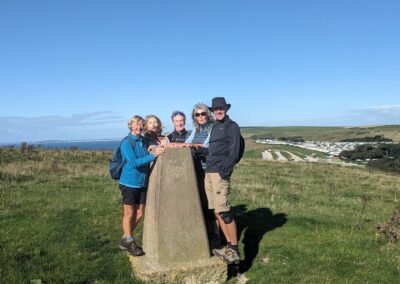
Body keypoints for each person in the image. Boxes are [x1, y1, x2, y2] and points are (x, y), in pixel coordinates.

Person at [119, 115, 165, 256]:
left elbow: (145, 152)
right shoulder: (126, 143)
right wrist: (154, 155)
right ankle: (130, 241)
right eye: (136, 124)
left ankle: (125, 238)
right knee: (129, 213)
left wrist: (151, 148)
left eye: (141, 124)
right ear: (131, 126)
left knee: (139, 213)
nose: (139, 127)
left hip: (143, 182)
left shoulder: (143, 141)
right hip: (130, 183)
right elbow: (134, 162)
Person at [205, 97, 242, 265]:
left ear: (226, 109)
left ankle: (234, 249)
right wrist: (191, 148)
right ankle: (228, 246)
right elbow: (212, 150)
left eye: (221, 108)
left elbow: (234, 152)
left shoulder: (231, 126)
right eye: (215, 109)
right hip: (209, 173)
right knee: (216, 211)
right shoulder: (214, 127)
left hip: (219, 174)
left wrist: (223, 172)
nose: (218, 111)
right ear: (213, 111)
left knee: (224, 212)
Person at [185, 103, 218, 247]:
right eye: (197, 114)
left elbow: (207, 146)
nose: (200, 117)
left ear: (208, 114)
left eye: (203, 113)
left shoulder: (212, 128)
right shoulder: (196, 129)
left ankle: (216, 235)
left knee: (212, 202)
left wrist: (191, 146)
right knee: (203, 201)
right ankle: (207, 233)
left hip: (208, 169)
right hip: (197, 170)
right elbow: (187, 143)